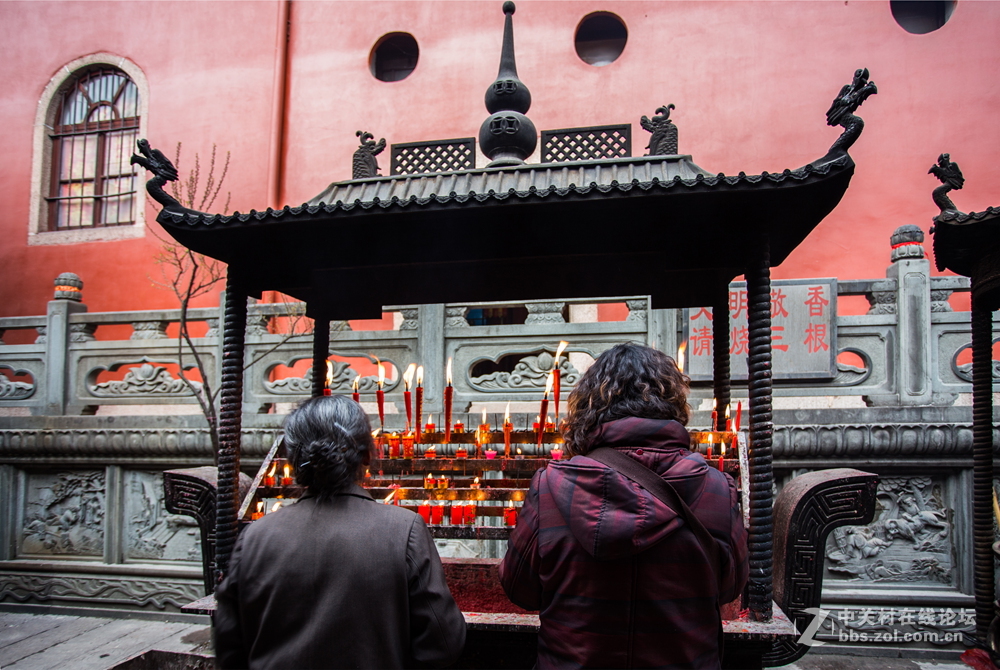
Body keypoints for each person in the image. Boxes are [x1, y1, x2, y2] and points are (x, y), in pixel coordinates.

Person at [499, 342, 748, 669]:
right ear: (672, 402)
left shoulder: (551, 487)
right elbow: (729, 588)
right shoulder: (715, 487)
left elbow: (521, 589)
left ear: (588, 406)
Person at [215, 394, 466, 669]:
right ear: (369, 455)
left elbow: (230, 645)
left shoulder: (254, 537)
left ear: (293, 460)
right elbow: (442, 641)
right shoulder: (403, 529)